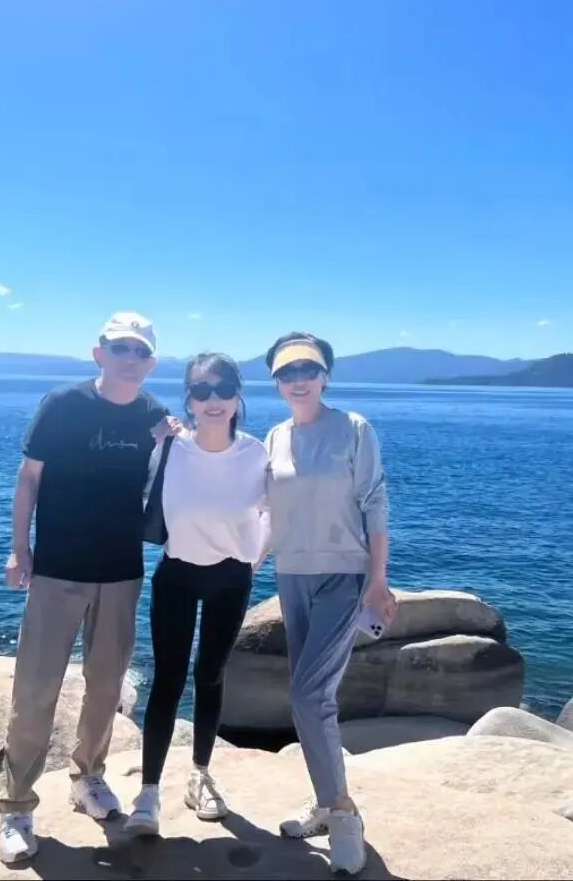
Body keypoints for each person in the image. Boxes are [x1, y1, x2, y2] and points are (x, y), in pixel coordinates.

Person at [0, 311, 170, 864]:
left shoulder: (155, 416)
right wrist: (19, 549)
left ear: (151, 362)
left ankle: (88, 777)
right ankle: (17, 806)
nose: (130, 359)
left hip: (120, 572)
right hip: (57, 570)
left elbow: (190, 468)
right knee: (35, 690)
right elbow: (29, 478)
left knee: (106, 686)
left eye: (140, 351)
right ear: (99, 354)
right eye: (120, 348)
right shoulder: (63, 404)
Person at [261, 332, 398, 876]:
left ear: (325, 376)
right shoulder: (275, 437)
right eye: (286, 373)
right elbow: (265, 513)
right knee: (313, 698)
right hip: (291, 575)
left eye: (308, 370)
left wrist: (378, 581)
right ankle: (325, 799)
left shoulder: (353, 429)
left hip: (344, 575)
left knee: (308, 695)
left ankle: (343, 814)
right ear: (276, 382)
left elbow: (375, 502)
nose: (297, 380)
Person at [124, 353, 269, 837]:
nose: (213, 400)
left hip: (231, 577)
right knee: (167, 681)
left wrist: (255, 556)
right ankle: (148, 793)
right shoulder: (170, 447)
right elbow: (126, 485)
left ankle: (201, 776)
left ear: (238, 396)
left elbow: (277, 508)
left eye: (223, 389)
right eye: (201, 390)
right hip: (178, 575)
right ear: (188, 398)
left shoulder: (255, 454)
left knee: (210, 676)